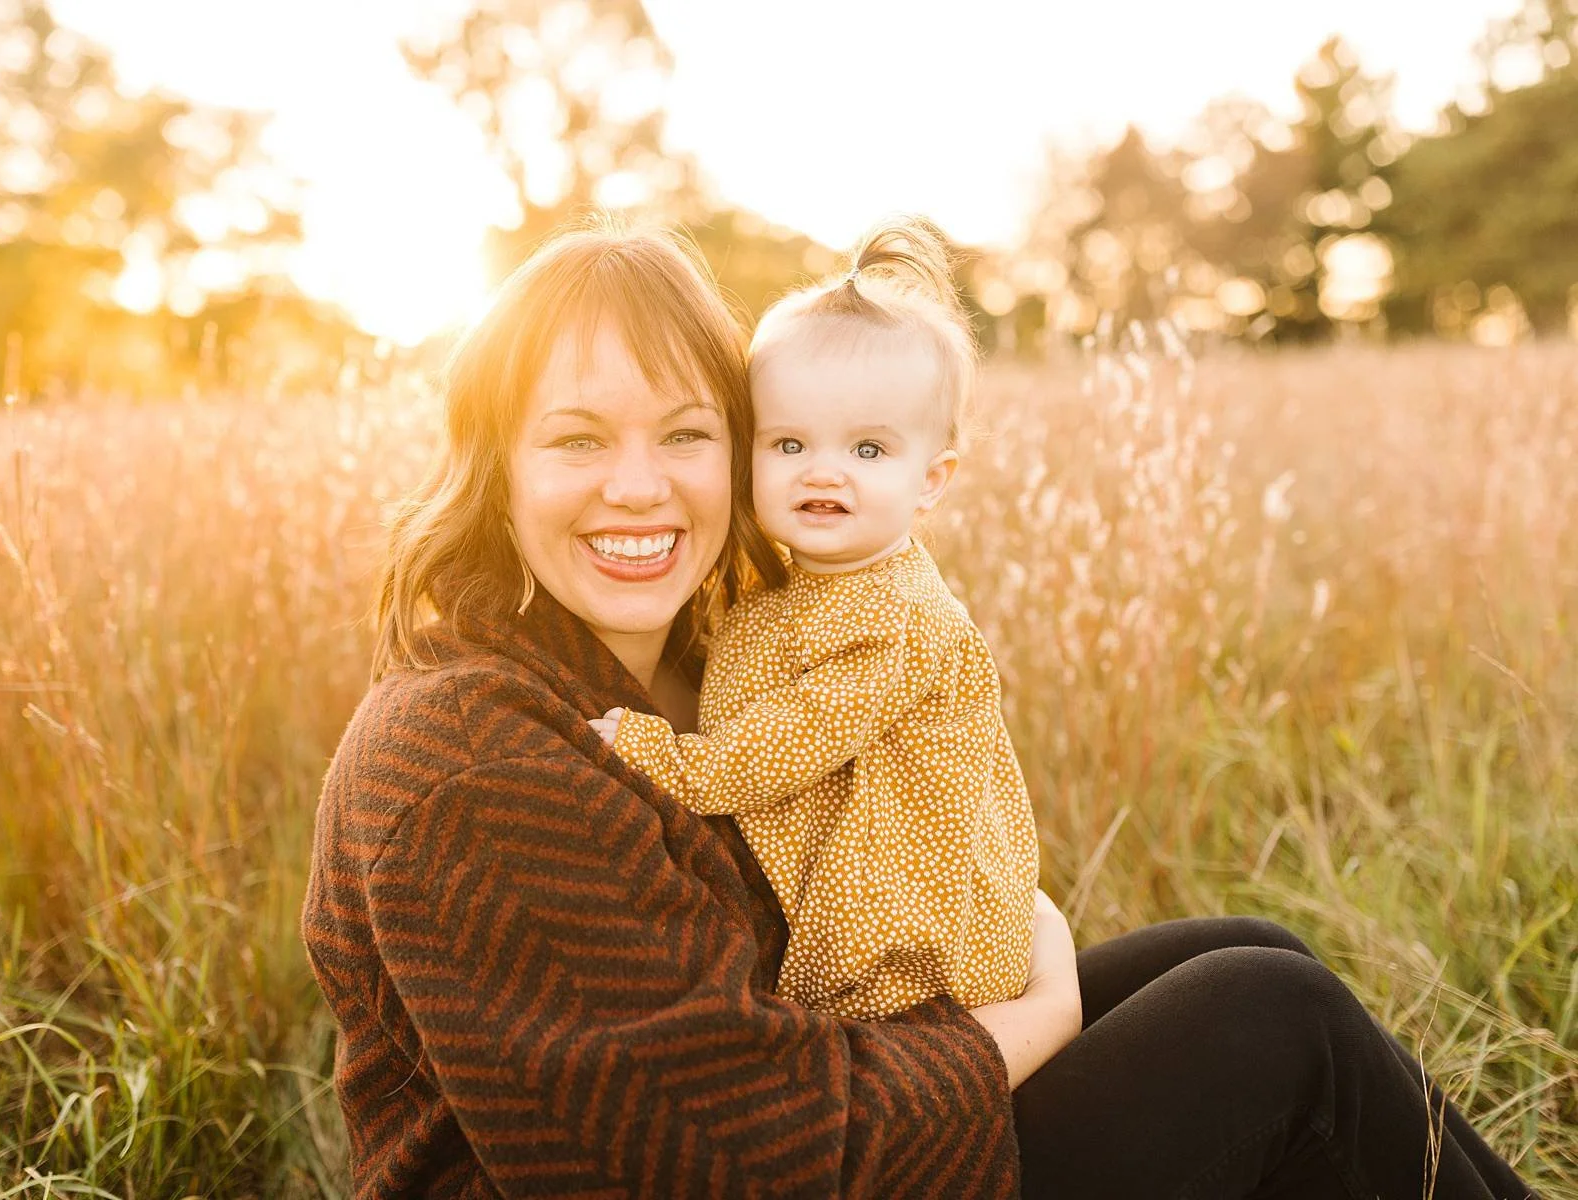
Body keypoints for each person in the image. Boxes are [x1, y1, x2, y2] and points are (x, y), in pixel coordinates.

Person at [300, 220, 1536, 1198]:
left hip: (805, 1098)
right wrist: (1032, 1017)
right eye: (575, 440)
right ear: (493, 462)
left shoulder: (688, 656)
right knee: (1276, 1029)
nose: (640, 486)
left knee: (1255, 951)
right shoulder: (462, 758)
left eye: (685, 433)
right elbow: (746, 1166)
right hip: (769, 1168)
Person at [587, 218, 1038, 1023]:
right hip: (863, 923)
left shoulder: (895, 622)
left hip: (912, 956)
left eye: (868, 451)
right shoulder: (795, 583)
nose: (823, 471)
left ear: (931, 481)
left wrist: (661, 756)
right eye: (789, 443)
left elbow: (783, 742)